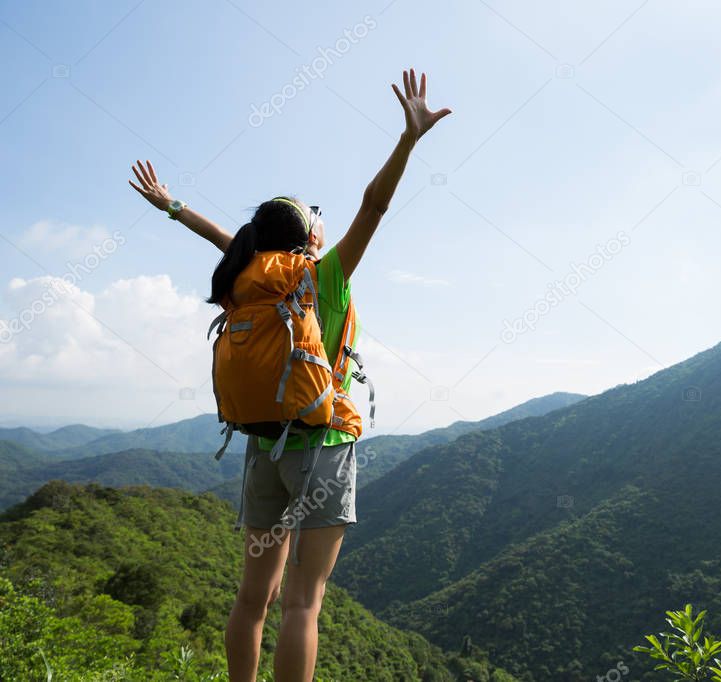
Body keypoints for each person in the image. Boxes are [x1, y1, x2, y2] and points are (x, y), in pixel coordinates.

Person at [129, 68, 451, 682]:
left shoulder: (246, 278)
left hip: (260, 448)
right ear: (309, 236)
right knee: (304, 603)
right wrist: (407, 141)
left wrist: (173, 207)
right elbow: (374, 204)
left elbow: (222, 238)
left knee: (254, 600)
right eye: (316, 216)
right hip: (320, 447)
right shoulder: (322, 277)